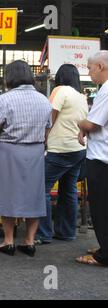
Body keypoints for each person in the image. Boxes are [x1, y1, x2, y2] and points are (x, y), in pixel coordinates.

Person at [0, 60, 52, 257]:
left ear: (9, 77)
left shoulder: (5, 99)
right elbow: (48, 129)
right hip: (36, 150)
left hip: (10, 150)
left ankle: (8, 241)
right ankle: (30, 242)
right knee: (35, 194)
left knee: (8, 194)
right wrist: (41, 145)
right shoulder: (43, 100)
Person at [36, 64, 88, 244]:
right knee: (69, 190)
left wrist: (43, 138)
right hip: (78, 149)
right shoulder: (81, 96)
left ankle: (43, 233)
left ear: (60, 77)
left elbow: (50, 115)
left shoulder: (60, 90)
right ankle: (66, 232)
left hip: (60, 149)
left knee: (41, 189)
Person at [76, 50, 108, 266]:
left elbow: (92, 123)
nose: (89, 73)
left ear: (101, 67)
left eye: (89, 68)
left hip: (101, 159)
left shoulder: (106, 90)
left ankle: (103, 255)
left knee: (101, 207)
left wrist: (81, 124)